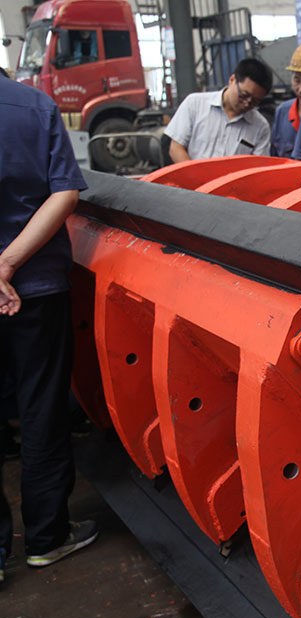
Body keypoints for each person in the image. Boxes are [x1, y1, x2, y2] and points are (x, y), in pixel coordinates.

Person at [0, 74, 97, 585]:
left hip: (24, 285)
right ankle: (47, 537)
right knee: (41, 408)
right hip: (35, 288)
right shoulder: (35, 107)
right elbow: (64, 194)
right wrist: (7, 264)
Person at [165, 57, 273, 163]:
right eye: (244, 95)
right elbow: (176, 148)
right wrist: (194, 174)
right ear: (232, 80)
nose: (247, 103)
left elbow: (258, 166)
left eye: (254, 101)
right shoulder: (195, 104)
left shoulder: (260, 126)